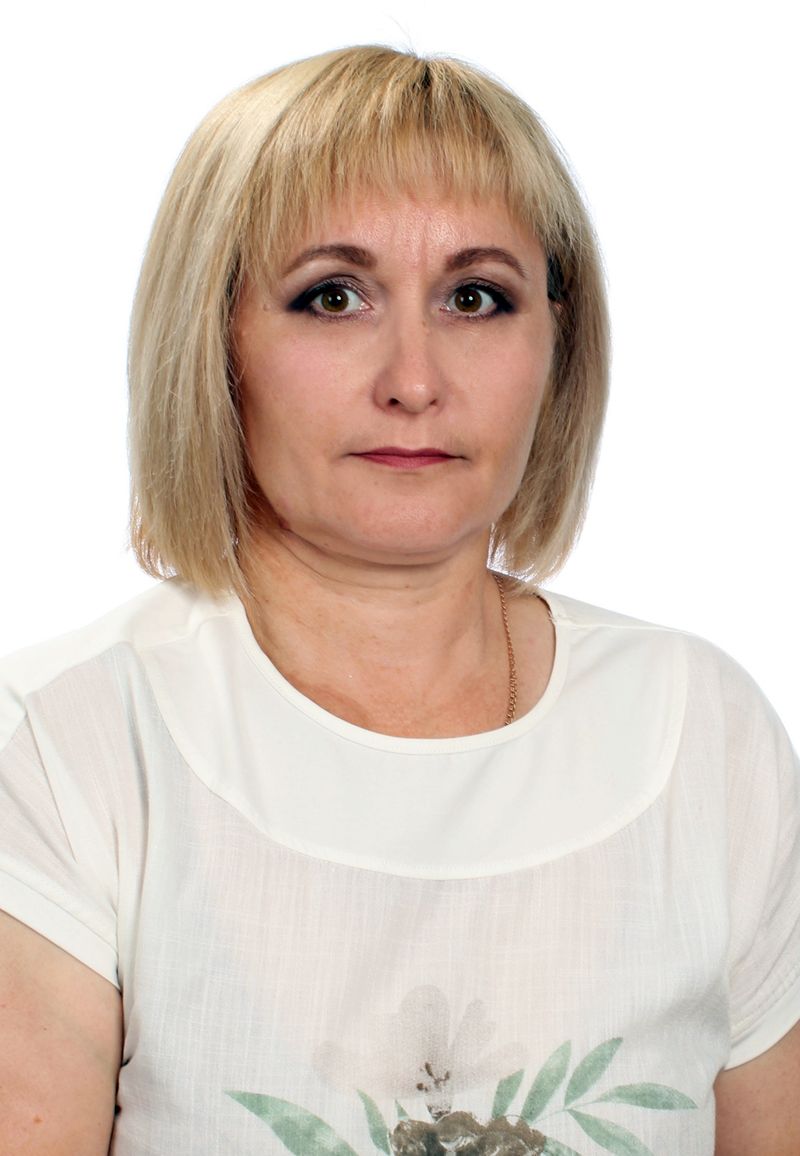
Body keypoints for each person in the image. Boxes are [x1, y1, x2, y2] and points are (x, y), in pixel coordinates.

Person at [0, 44, 798, 1156]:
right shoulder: (64, 745)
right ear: (213, 338)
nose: (414, 381)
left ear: (557, 346)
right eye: (332, 296)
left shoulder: (702, 734)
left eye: (476, 297)